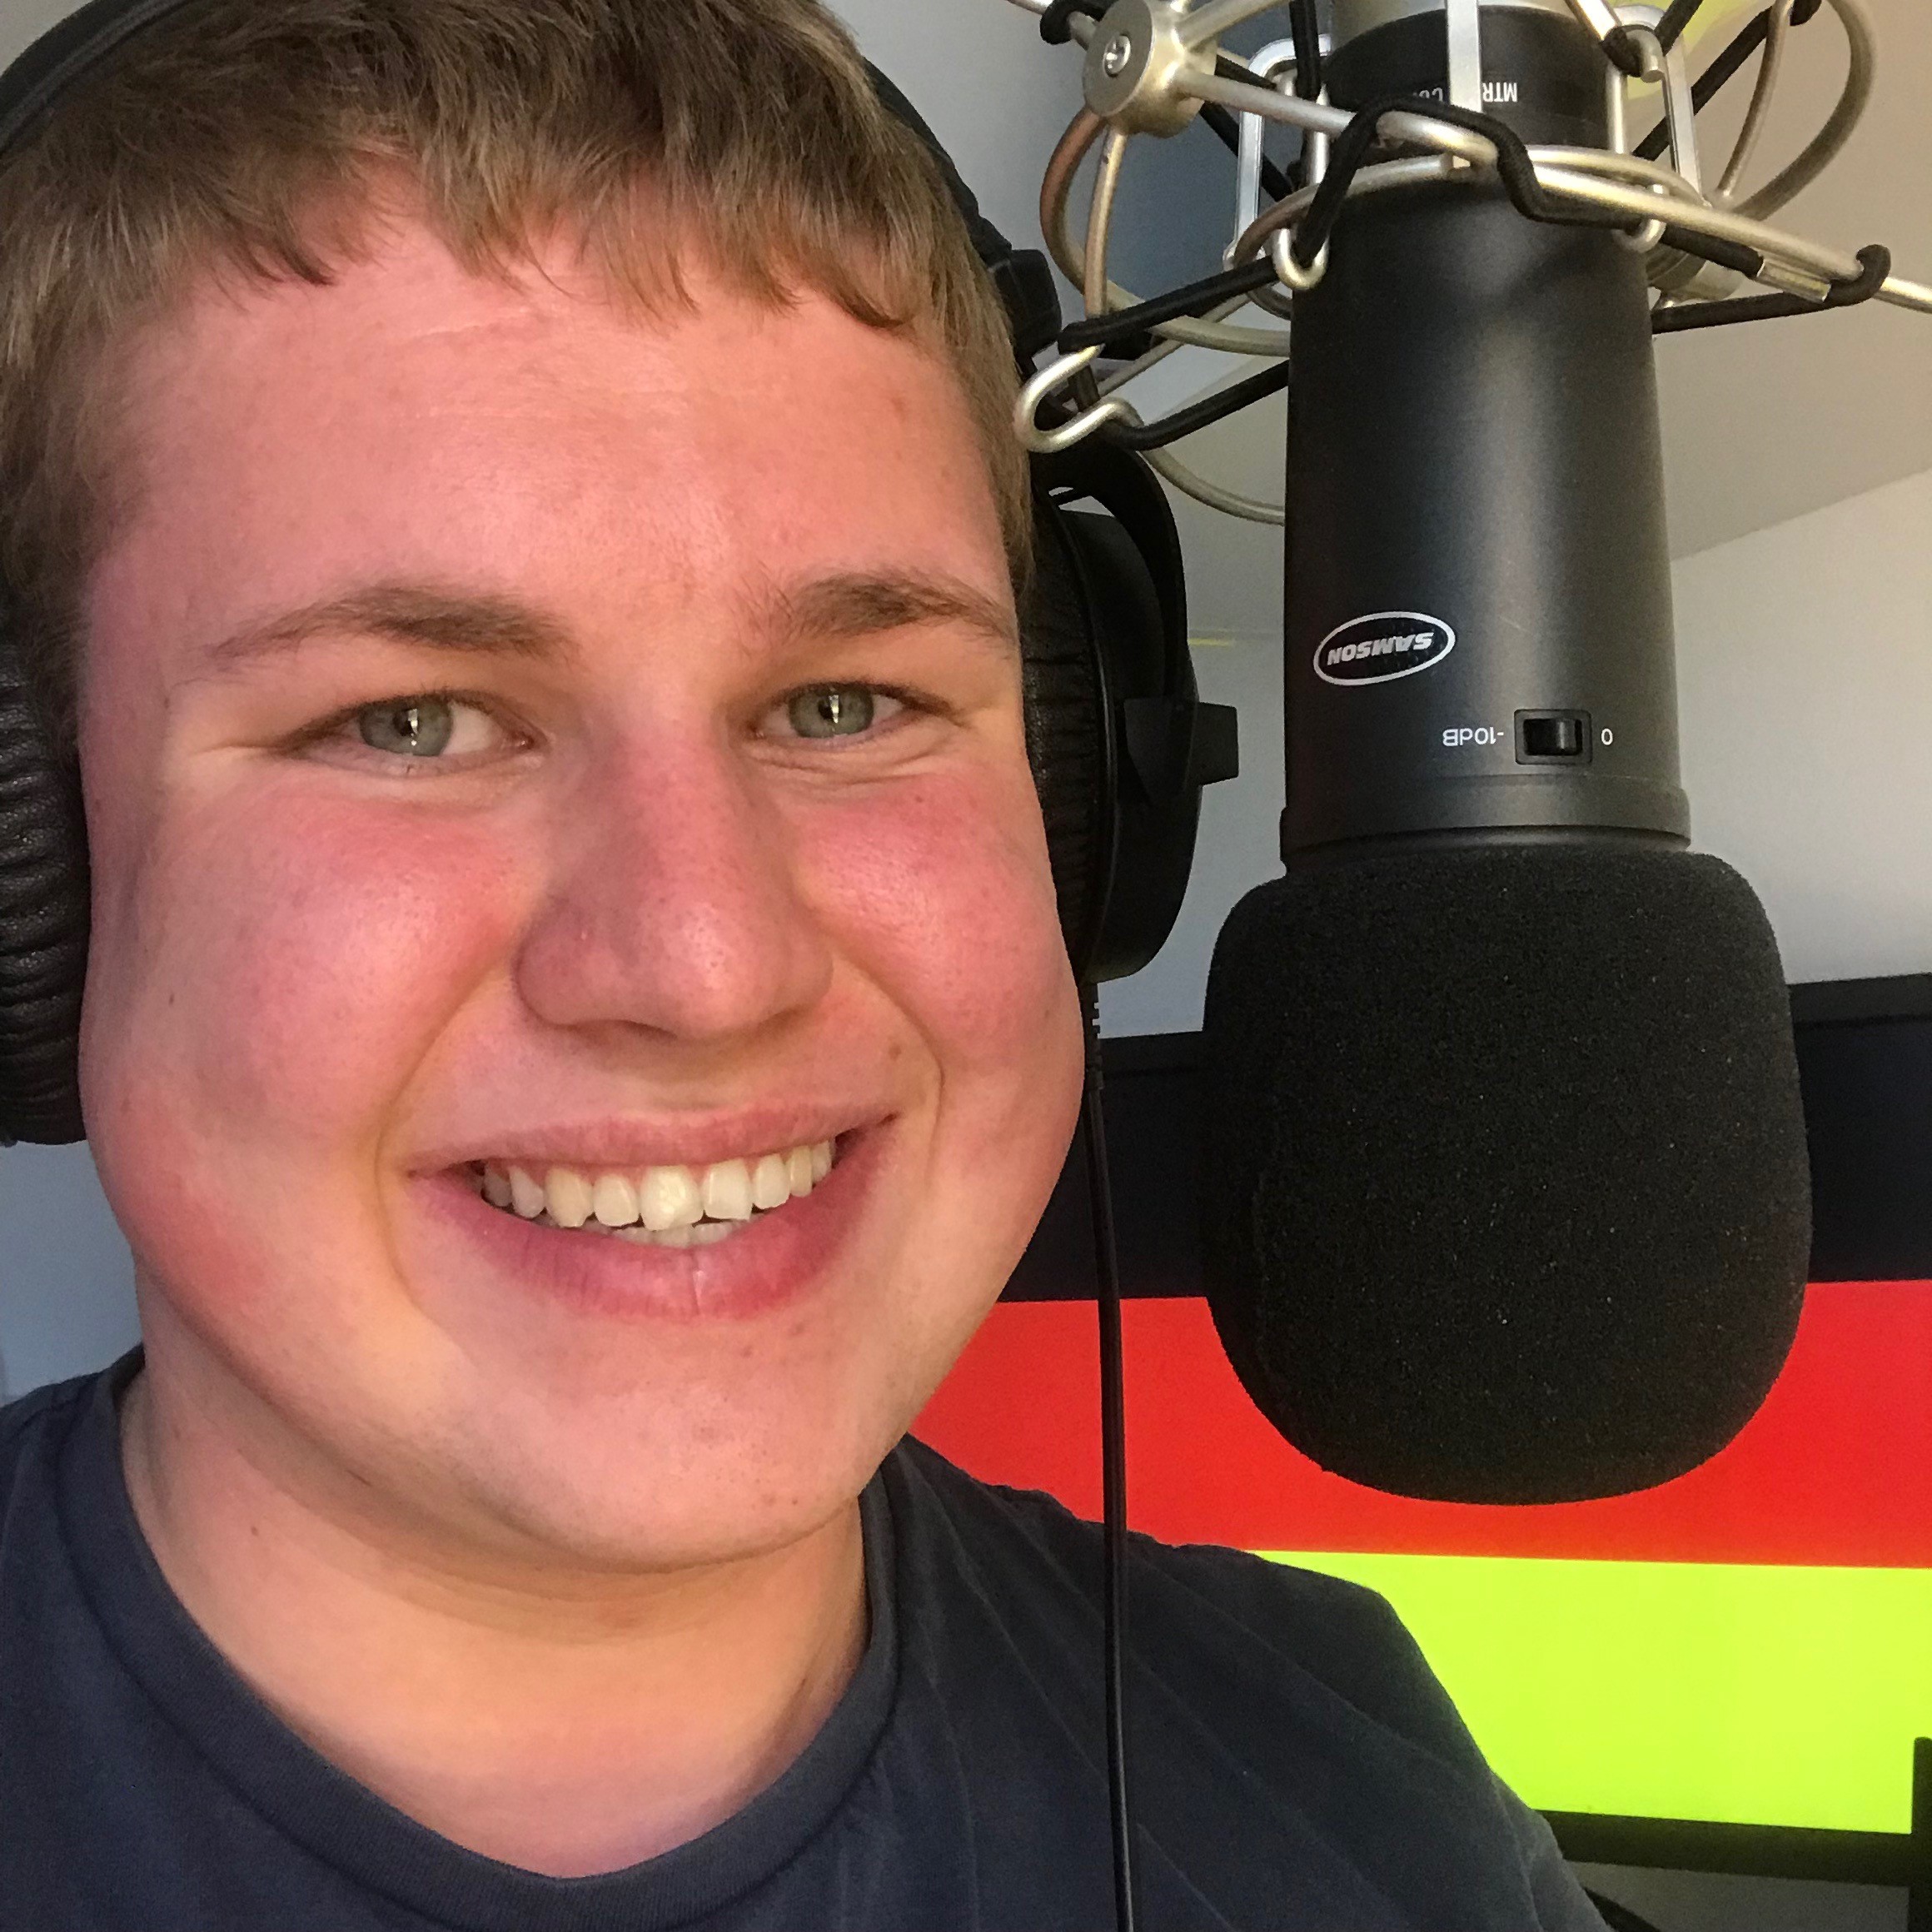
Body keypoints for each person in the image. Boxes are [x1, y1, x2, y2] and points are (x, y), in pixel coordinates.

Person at [0, 2, 1608, 1925]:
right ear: (40, 873)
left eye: (844, 701)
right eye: (408, 719)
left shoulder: (1364, 1776)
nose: (703, 963)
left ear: (1073, 790)